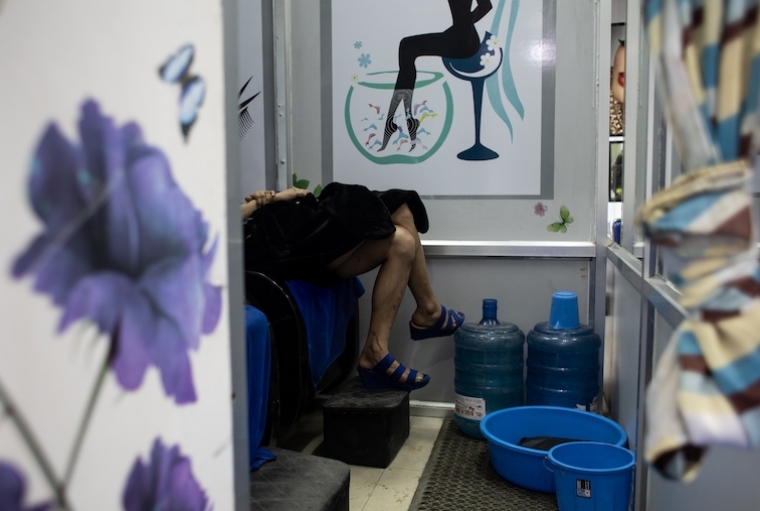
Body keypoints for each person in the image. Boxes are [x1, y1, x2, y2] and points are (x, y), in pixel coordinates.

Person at [241, 182, 464, 392]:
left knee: (402, 242)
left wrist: (273, 197)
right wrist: (263, 201)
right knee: (396, 204)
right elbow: (222, 220)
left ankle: (376, 350)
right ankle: (428, 310)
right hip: (270, 239)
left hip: (289, 228)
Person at [378, 0, 493, 151]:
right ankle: (400, 120)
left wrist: (465, 23)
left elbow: (486, 5)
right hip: (457, 35)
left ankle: (396, 121)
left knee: (407, 46)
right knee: (407, 47)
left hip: (464, 42)